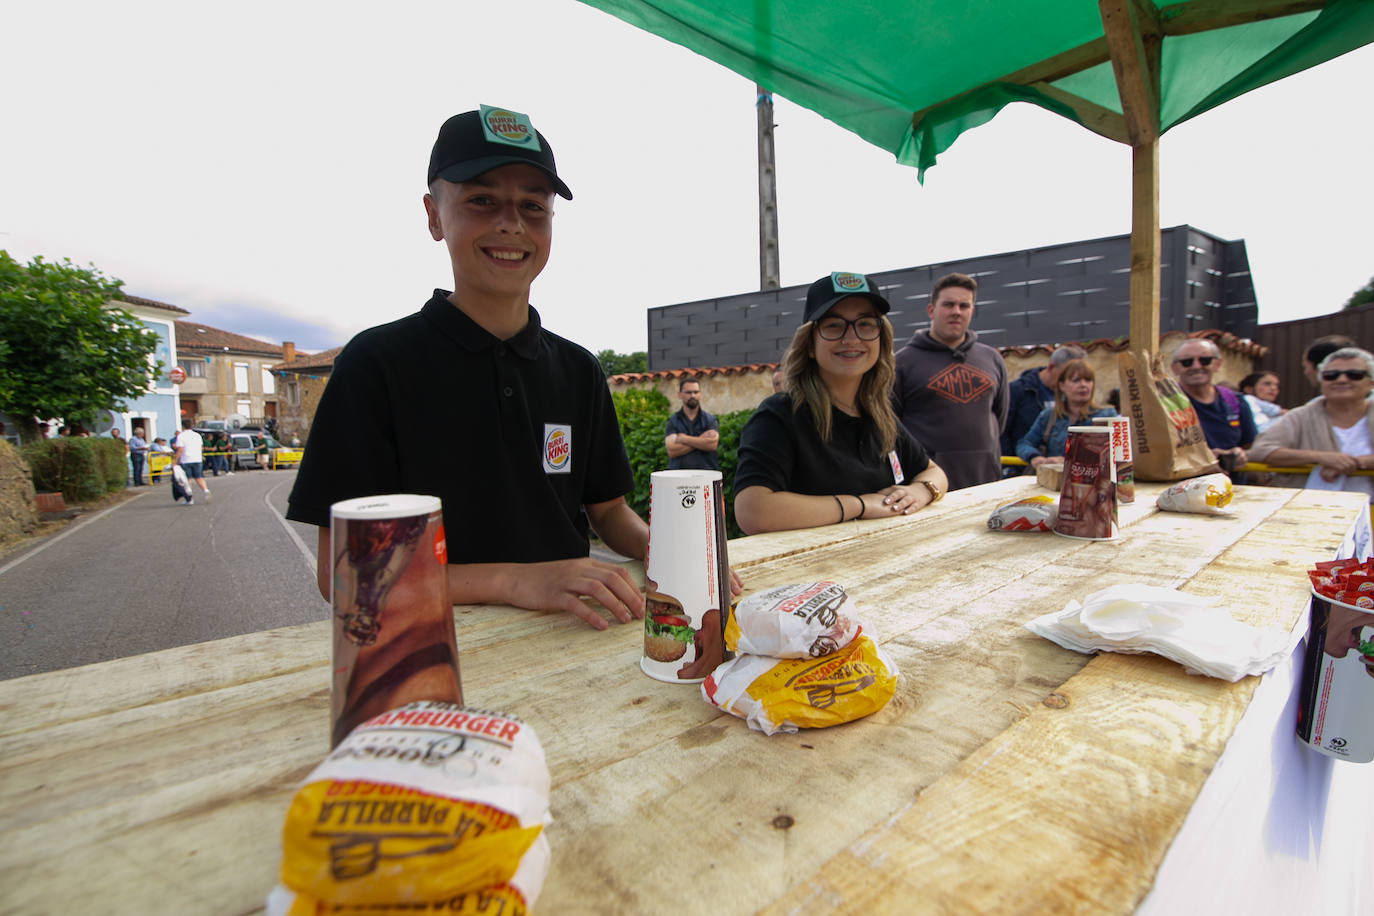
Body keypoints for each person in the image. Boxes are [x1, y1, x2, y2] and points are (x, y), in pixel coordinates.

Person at [287, 105, 653, 631]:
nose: (511, 223)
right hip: (426, 647)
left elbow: (608, 512)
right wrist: (516, 581)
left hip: (573, 636)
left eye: (533, 206)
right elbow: (345, 575)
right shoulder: (375, 366)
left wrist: (668, 548)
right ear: (434, 215)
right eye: (482, 200)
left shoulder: (578, 371)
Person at [734, 272, 948, 534]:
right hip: (811, 572)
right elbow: (752, 511)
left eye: (866, 324)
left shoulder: (880, 417)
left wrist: (921, 490)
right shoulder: (780, 415)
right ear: (810, 344)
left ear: (881, 340)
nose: (851, 338)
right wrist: (859, 505)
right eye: (834, 325)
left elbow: (934, 472)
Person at [892, 272, 1008, 490]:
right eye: (948, 304)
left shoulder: (992, 358)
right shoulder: (902, 363)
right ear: (931, 310)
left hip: (986, 482)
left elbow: (999, 417)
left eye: (964, 306)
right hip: (927, 488)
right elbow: (890, 426)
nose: (956, 312)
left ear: (972, 311)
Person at [1250, 347, 1374, 501]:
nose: (1341, 380)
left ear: (1370, 382)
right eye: (1331, 375)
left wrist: (1357, 463)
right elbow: (1260, 450)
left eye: (1354, 375)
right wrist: (1320, 457)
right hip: (1311, 510)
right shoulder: (1300, 416)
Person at [1169, 338, 1255, 474]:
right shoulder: (1164, 405)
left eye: (1204, 360)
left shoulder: (1236, 402)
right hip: (1183, 490)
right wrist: (1202, 460)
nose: (1196, 366)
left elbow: (1250, 445)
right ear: (1173, 368)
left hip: (1232, 488)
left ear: (1217, 364)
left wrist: (1239, 454)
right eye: (1187, 362)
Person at [1001, 345, 1087, 473]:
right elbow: (1002, 431)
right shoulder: (1017, 390)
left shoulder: (1071, 399)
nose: (1082, 384)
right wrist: (1011, 468)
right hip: (1021, 468)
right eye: (1070, 376)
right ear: (1052, 367)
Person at [1015, 359, 1116, 469]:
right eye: (1075, 380)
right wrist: (1035, 457)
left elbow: (1116, 453)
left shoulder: (1108, 415)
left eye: (1088, 380)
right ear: (1062, 385)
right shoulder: (1049, 415)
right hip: (1055, 482)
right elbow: (1024, 443)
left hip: (1094, 482)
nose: (1083, 385)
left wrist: (1069, 461)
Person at [664, 378, 719, 470]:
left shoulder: (710, 420)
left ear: (700, 394)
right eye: (688, 392)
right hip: (679, 477)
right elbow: (672, 451)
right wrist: (701, 440)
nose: (693, 395)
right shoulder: (672, 421)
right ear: (679, 395)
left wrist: (683, 438)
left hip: (705, 476)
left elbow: (711, 445)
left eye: (696, 392)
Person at [173, 418, 211, 504]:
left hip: (186, 459)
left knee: (187, 479)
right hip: (197, 459)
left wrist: (174, 461)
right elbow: (201, 448)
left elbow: (180, 450)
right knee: (198, 477)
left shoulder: (181, 436)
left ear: (182, 426)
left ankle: (189, 498)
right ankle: (205, 490)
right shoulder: (197, 435)